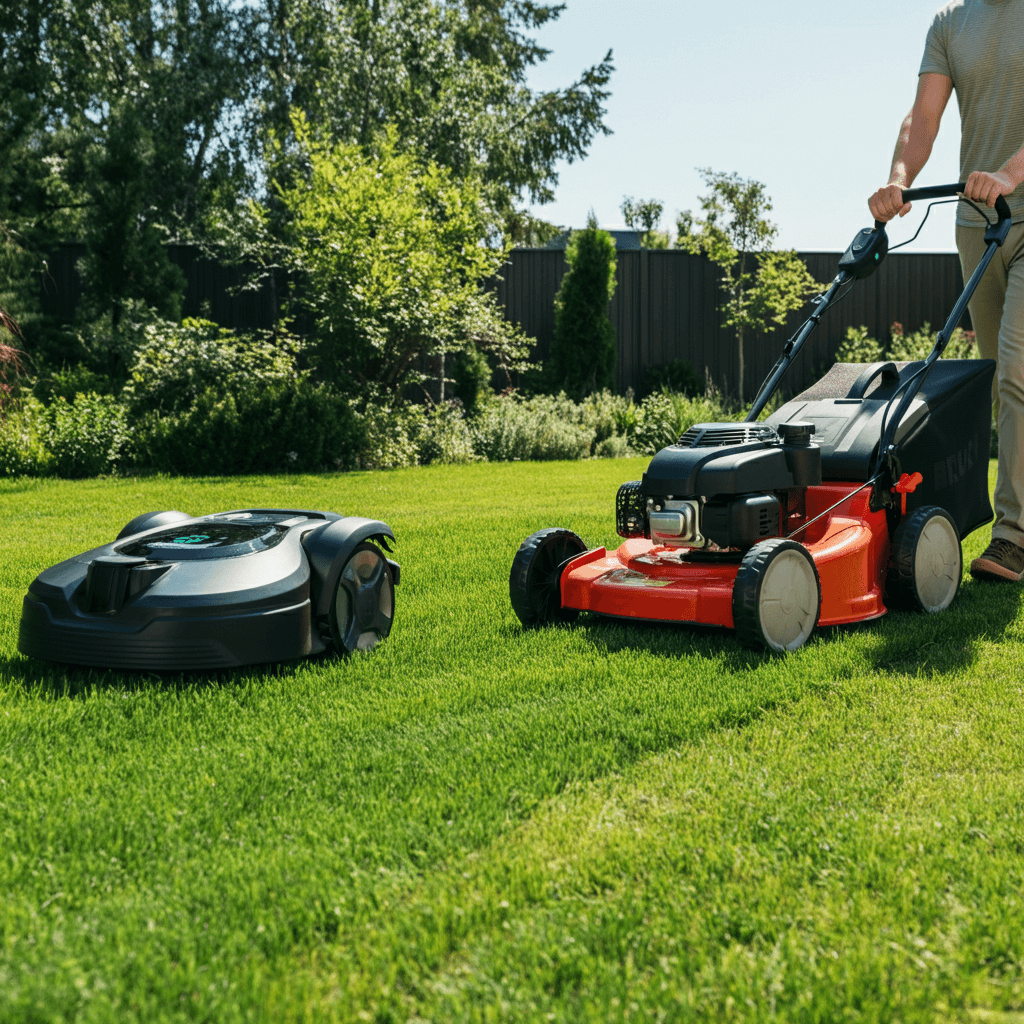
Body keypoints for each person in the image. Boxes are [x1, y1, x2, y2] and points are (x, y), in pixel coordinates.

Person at [868, 0, 1024, 582]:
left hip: (1021, 204)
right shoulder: (949, 23)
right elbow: (922, 119)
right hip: (978, 225)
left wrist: (1010, 173)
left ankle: (1013, 537)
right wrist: (898, 179)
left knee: (1016, 368)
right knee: (993, 375)